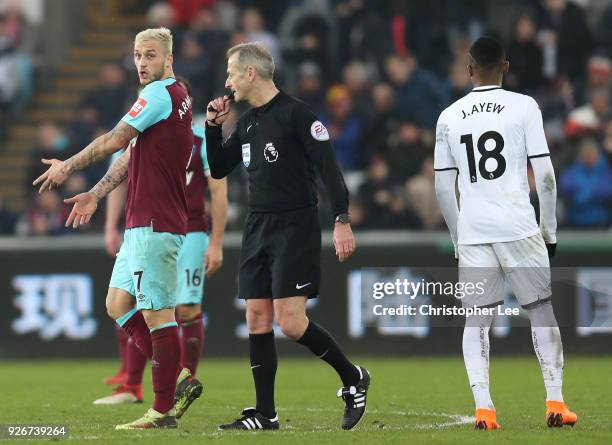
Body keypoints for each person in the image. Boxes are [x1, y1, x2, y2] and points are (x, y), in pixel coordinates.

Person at [33, 27, 193, 429]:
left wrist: (67, 166)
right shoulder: (177, 95)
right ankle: (177, 376)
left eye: (151, 55)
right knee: (118, 304)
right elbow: (128, 155)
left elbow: (114, 140)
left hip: (155, 221)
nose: (142, 63)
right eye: (138, 55)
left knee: (158, 314)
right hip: (142, 220)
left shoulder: (158, 95)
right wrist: (95, 193)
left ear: (168, 59)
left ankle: (162, 410)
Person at [205, 42, 370, 431]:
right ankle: (266, 414)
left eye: (231, 73)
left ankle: (353, 378)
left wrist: (342, 218)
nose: (226, 82)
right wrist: (213, 127)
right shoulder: (246, 122)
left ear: (250, 73)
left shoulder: (297, 115)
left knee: (292, 323)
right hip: (257, 226)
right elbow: (218, 168)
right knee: (256, 316)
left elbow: (329, 170)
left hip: (295, 225)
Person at [434, 36, 577, 430]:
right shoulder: (524, 107)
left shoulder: (449, 116)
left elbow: (444, 189)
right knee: (540, 310)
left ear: (468, 69)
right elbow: (545, 175)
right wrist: (549, 231)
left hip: (474, 230)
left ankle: (484, 409)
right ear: (506, 67)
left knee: (476, 322)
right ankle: (556, 402)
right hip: (518, 225)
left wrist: (458, 238)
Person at [93, 78, 229, 419]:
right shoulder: (143, 138)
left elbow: (219, 190)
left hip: (188, 230)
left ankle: (173, 391)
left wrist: (216, 241)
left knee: (182, 309)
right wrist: (110, 221)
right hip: (148, 227)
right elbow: (118, 175)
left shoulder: (200, 139)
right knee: (125, 304)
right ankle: (168, 380)